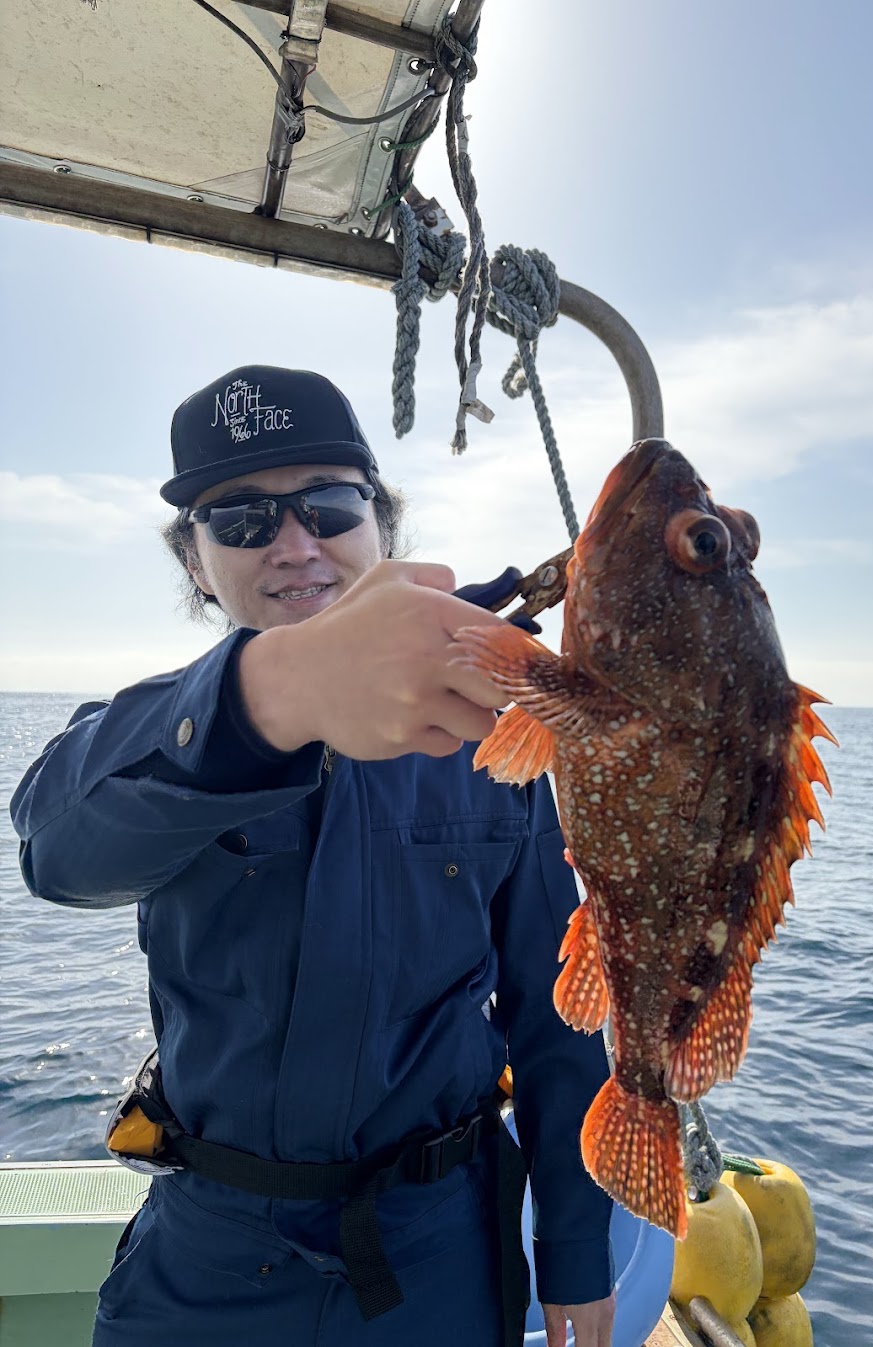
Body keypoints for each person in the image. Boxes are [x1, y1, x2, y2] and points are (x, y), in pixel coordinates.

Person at [11, 366, 616, 1347]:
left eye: (329, 507)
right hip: (208, 1254)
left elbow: (558, 1019)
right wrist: (270, 698)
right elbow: (55, 849)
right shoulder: (150, 734)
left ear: (383, 527)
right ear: (198, 562)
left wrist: (577, 1255)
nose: (294, 545)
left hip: (444, 1251)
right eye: (240, 520)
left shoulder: (495, 747)